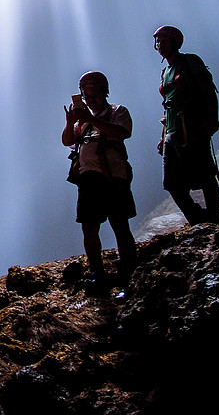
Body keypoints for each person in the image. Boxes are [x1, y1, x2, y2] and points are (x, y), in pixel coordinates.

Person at [62, 71, 137, 293]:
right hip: (88, 179)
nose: (90, 98)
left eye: (94, 92)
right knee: (89, 229)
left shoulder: (117, 112)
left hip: (113, 176)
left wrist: (91, 119)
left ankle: (129, 278)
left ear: (105, 91)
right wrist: (70, 123)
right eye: (86, 94)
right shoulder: (82, 124)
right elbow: (67, 141)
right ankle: (98, 276)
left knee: (120, 225)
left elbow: (123, 132)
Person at [153, 25, 219, 224]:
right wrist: (162, 136)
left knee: (205, 176)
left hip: (191, 126)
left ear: (175, 42)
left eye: (164, 40)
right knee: (172, 183)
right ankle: (198, 218)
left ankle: (215, 219)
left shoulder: (190, 61)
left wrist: (211, 119)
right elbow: (167, 106)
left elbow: (208, 90)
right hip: (173, 130)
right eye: (158, 41)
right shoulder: (165, 71)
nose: (160, 45)